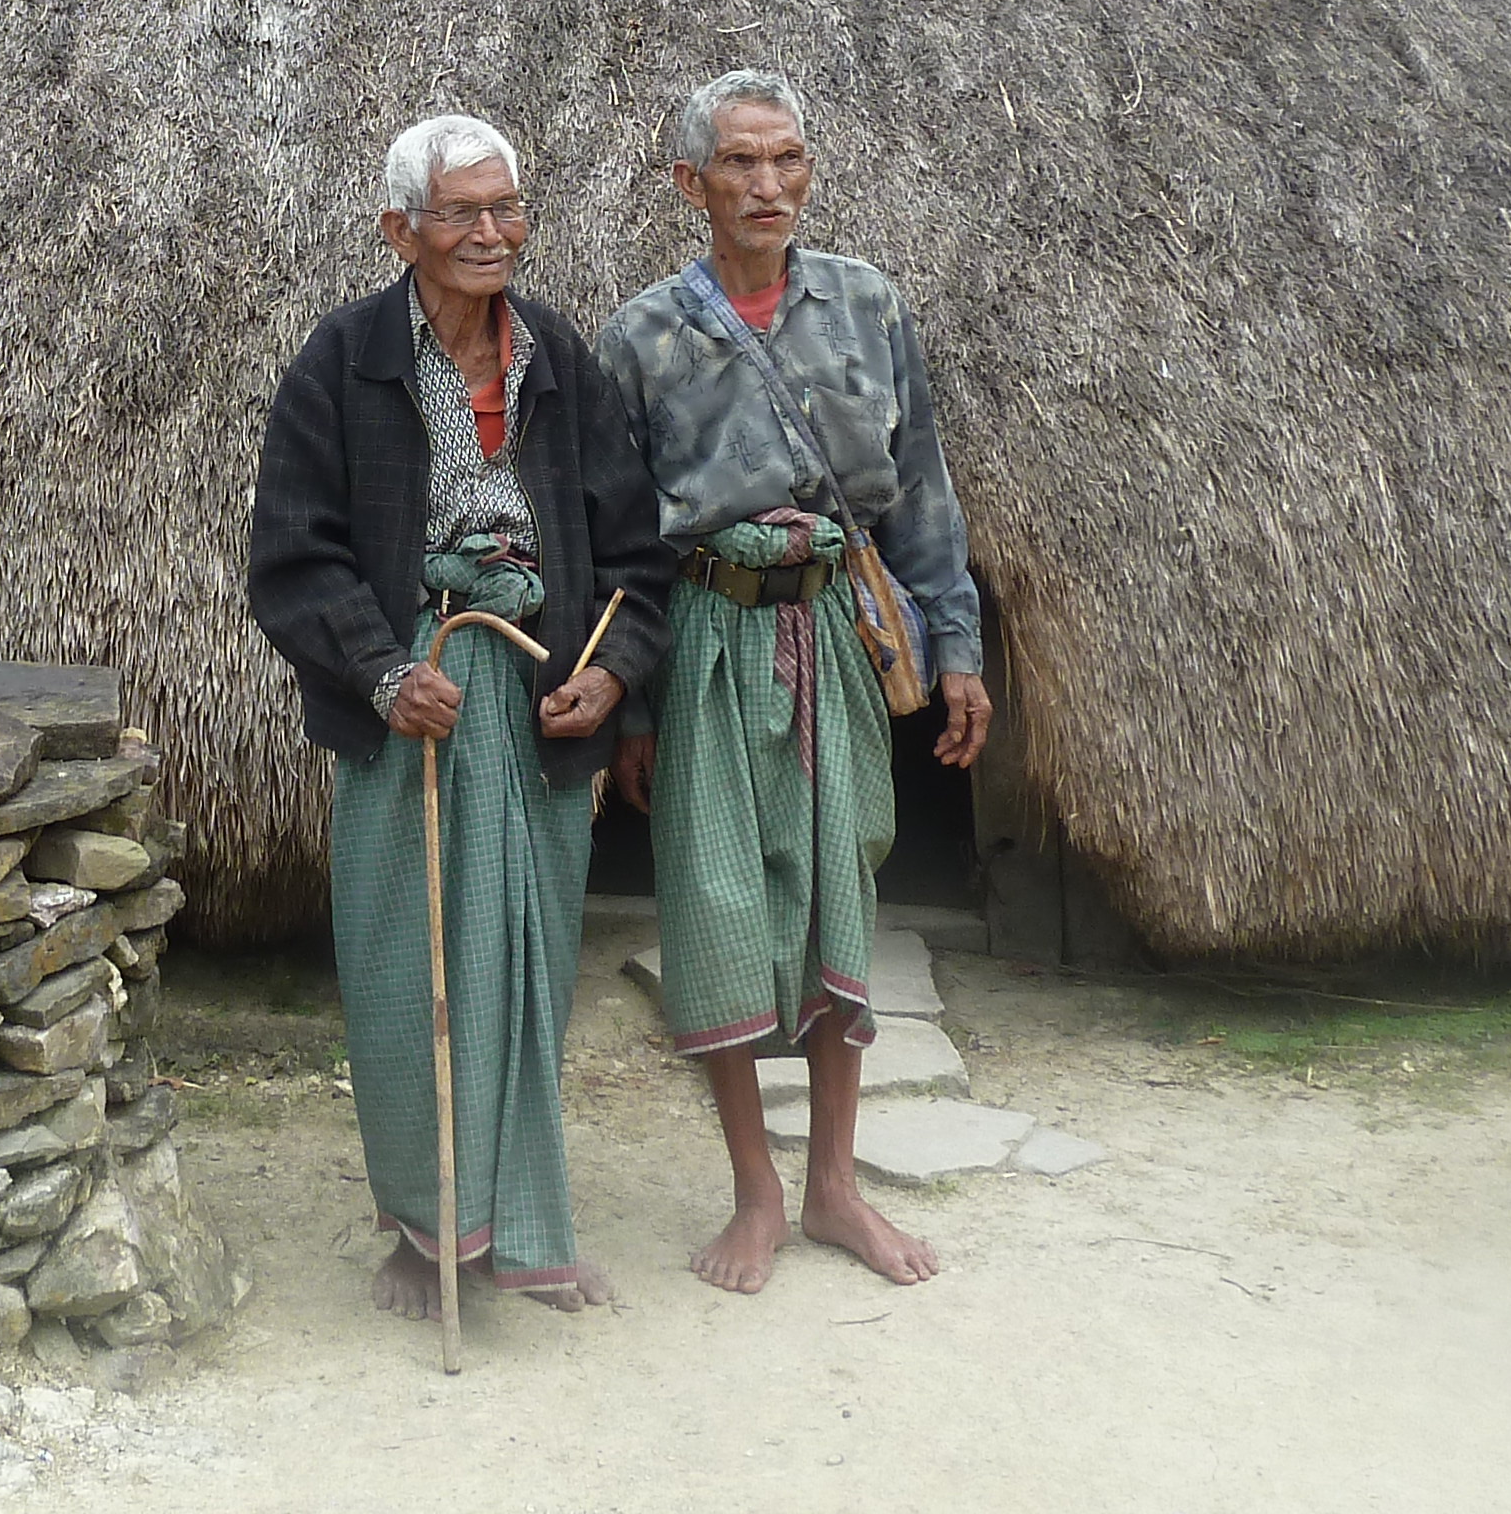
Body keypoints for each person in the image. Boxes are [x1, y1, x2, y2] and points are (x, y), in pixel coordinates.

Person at [248, 111, 672, 1321]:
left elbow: (636, 551)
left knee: (526, 968)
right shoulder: (343, 363)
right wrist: (384, 672)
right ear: (401, 231)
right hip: (414, 705)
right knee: (405, 972)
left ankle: (524, 1227)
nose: (492, 233)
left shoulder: (558, 359)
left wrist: (610, 674)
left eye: (507, 209)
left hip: (539, 705)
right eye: (461, 213)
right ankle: (421, 1229)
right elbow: (292, 556)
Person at [594, 69, 991, 1292]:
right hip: (706, 638)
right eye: (740, 162)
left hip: (836, 632)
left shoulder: (867, 305)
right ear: (690, 183)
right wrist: (632, 699)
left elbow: (920, 491)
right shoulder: (640, 337)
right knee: (715, 903)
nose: (768, 184)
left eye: (787, 159)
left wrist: (957, 648)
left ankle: (832, 1188)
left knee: (835, 894)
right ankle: (754, 1195)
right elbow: (619, 542)